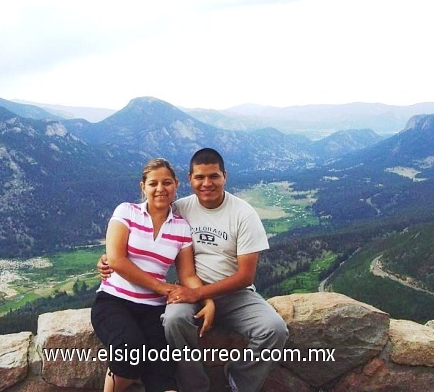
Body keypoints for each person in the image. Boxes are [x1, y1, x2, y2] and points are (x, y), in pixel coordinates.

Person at [100, 149, 288, 392]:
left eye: (214, 176)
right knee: (174, 320)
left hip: (235, 293)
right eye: (200, 177)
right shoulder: (179, 208)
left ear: (224, 177)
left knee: (274, 329)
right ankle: (194, 387)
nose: (206, 183)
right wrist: (108, 258)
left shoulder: (244, 214)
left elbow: (245, 276)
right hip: (190, 290)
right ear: (189, 179)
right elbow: (146, 228)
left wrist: (201, 295)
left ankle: (239, 383)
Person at [91, 158, 215, 392]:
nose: (160, 189)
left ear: (176, 184)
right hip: (113, 302)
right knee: (128, 348)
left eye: (167, 182)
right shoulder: (126, 212)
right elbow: (116, 260)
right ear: (143, 187)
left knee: (163, 371)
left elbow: (187, 275)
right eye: (153, 183)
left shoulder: (181, 227)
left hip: (154, 309)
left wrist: (207, 300)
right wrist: (163, 288)